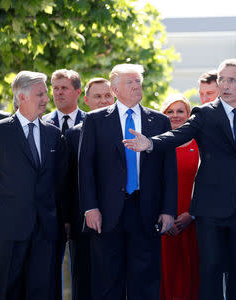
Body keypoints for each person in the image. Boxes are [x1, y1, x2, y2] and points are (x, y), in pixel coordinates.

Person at [123, 58, 236, 300]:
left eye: (231, 80)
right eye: (222, 80)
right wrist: (150, 144)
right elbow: (179, 135)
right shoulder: (206, 113)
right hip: (211, 208)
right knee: (210, 272)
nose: (225, 85)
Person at [79, 63, 177, 299]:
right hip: (107, 212)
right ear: (114, 90)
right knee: (107, 281)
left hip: (146, 210)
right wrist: (90, 207)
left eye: (138, 81)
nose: (136, 86)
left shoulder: (159, 121)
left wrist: (168, 209)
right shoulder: (95, 120)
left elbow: (168, 170)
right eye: (129, 82)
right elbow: (86, 168)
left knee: (145, 280)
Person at [0, 71, 66, 299]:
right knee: (3, 291)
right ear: (21, 97)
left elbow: (59, 183)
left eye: (46, 93)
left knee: (40, 291)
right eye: (40, 94)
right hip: (6, 231)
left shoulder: (54, 135)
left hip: (44, 230)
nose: (46, 99)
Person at [63, 78, 114, 300]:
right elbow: (67, 182)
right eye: (97, 96)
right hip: (81, 222)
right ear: (86, 100)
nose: (103, 101)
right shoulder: (73, 134)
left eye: (107, 96)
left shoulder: (128, 130)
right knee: (83, 280)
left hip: (116, 220)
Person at [43, 68, 86, 300]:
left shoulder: (92, 124)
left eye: (64, 88)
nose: (58, 93)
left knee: (82, 272)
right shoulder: (41, 123)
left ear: (77, 92)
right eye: (55, 88)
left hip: (83, 211)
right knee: (48, 272)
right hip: (50, 211)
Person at [159, 94, 200, 300]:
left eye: (180, 111)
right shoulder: (156, 145)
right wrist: (164, 215)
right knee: (165, 276)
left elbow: (206, 183)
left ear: (189, 115)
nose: (175, 116)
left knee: (193, 275)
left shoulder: (200, 144)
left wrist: (190, 214)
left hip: (193, 220)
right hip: (162, 221)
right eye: (170, 111)